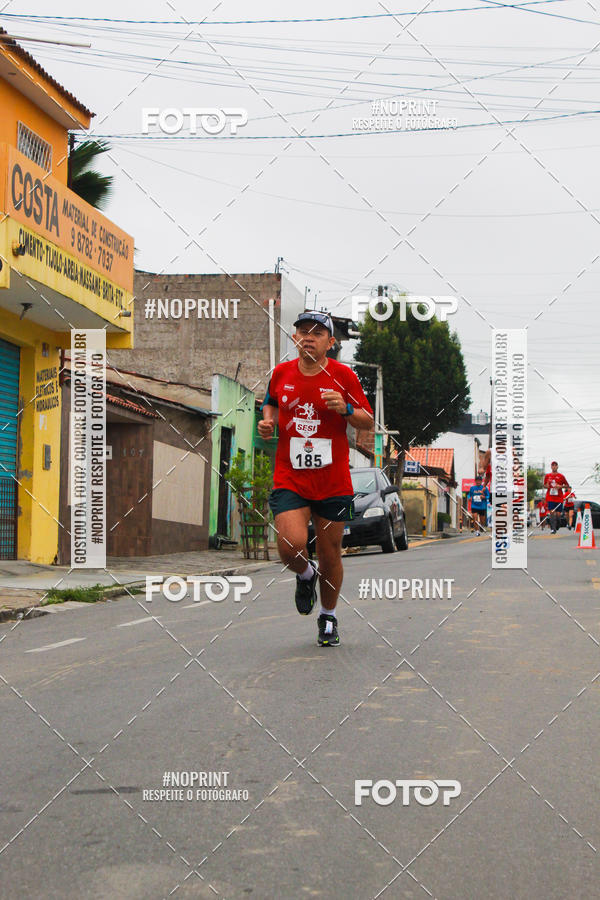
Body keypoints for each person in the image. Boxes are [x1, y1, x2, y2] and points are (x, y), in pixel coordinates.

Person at [258, 311, 374, 646]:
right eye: (302, 332)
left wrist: (346, 409)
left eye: (317, 333)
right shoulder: (281, 373)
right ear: (295, 338)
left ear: (330, 342)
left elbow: (368, 421)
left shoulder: (344, 376)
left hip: (333, 481)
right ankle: (305, 575)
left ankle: (328, 617)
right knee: (290, 546)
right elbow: (270, 403)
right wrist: (268, 423)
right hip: (290, 477)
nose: (308, 337)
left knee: (330, 554)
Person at [543, 461, 570, 534]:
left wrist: (560, 486)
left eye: (555, 465)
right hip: (550, 497)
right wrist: (547, 486)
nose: (554, 467)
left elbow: (567, 485)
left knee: (558, 515)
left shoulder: (561, 476)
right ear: (551, 467)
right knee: (552, 513)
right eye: (553, 465)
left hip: (559, 497)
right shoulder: (547, 476)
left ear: (557, 467)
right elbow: (544, 485)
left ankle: (558, 524)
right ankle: (553, 529)